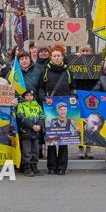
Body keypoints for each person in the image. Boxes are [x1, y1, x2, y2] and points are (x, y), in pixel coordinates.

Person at [36, 46, 72, 175]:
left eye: (59, 55)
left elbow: (73, 87)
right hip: (50, 108)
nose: (57, 58)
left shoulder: (68, 71)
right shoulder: (45, 71)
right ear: (51, 57)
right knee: (51, 137)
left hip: (65, 108)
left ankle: (62, 166)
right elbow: (41, 87)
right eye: (54, 56)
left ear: (62, 57)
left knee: (64, 138)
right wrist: (43, 99)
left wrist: (72, 97)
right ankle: (51, 166)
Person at [15, 91, 45, 176]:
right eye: (27, 95)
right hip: (26, 131)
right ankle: (27, 167)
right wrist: (32, 126)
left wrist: (39, 125)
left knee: (35, 150)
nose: (29, 97)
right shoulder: (21, 106)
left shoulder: (37, 106)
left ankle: (34, 165)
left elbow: (42, 116)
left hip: (36, 132)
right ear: (24, 97)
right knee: (26, 150)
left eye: (31, 95)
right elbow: (22, 117)